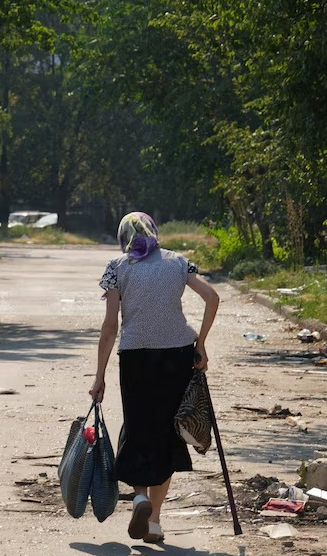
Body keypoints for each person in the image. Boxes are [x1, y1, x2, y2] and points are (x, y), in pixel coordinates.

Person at [89, 212, 220, 543]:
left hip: (135, 356)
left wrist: (99, 375)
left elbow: (109, 328)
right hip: (177, 355)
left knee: (137, 428)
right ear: (156, 232)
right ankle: (155, 523)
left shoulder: (117, 267)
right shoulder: (178, 262)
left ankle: (140, 498)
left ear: (123, 238)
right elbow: (212, 297)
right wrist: (200, 343)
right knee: (167, 432)